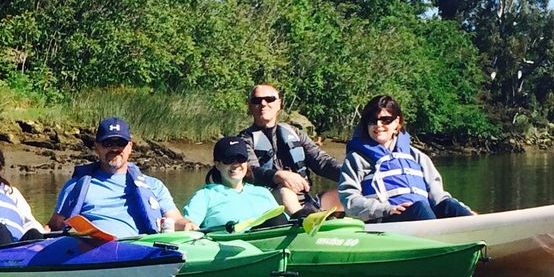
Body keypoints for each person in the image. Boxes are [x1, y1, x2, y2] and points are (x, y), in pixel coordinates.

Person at [48, 116, 195, 237]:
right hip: (91, 252)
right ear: (97, 147)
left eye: (120, 143)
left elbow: (175, 219)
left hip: (141, 251)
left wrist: (187, 224)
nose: (114, 148)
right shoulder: (75, 187)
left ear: (130, 147)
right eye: (108, 143)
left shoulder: (154, 186)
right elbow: (54, 226)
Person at [339, 95, 477, 223]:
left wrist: (464, 211)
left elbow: (438, 196)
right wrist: (386, 209)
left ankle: (476, 226)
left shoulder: (417, 156)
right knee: (420, 208)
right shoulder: (356, 159)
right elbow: (349, 199)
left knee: (448, 205)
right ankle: (440, 239)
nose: (378, 125)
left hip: (422, 216)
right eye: (372, 120)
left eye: (385, 120)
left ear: (397, 122)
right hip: (385, 220)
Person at [239, 84, 342, 215]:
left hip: (305, 200)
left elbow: (321, 161)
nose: (263, 104)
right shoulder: (244, 139)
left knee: (344, 193)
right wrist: (278, 176)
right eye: (256, 100)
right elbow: (250, 172)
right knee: (284, 191)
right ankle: (302, 222)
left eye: (269, 99)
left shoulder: (294, 133)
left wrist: (348, 173)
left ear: (279, 104)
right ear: (250, 106)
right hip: (269, 203)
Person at [183, 136, 284, 230]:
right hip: (227, 244)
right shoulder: (205, 195)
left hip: (271, 239)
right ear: (217, 164)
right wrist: (189, 225)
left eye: (241, 159)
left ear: (247, 162)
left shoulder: (263, 192)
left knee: (283, 217)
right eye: (228, 160)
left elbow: (283, 222)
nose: (236, 165)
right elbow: (189, 224)